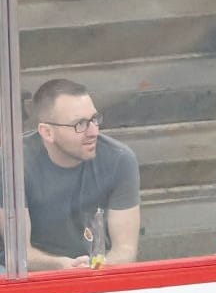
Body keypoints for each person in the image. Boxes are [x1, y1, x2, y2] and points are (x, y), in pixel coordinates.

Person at [23, 79, 140, 270]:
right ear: (47, 132)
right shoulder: (13, 164)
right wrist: (62, 266)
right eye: (80, 124)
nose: (93, 131)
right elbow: (19, 254)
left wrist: (96, 269)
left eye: (94, 119)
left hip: (95, 270)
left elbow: (125, 250)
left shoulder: (119, 159)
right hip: (30, 275)